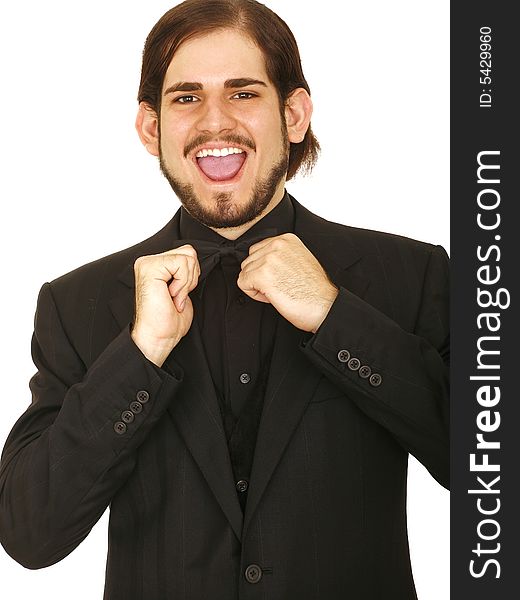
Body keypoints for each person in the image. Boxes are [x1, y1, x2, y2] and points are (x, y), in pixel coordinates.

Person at [0, 1, 449, 598]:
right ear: (151, 127)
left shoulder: (410, 275)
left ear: (293, 113)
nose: (216, 123)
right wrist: (141, 354)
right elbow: (29, 534)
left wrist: (334, 316)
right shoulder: (77, 303)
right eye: (187, 98)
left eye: (243, 94)